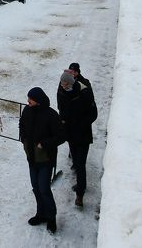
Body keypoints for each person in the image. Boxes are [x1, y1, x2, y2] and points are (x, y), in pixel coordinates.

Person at [19, 87, 65, 233]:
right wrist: (24, 139)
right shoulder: (27, 111)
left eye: (30, 99)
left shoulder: (51, 115)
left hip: (46, 159)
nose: (28, 101)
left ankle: (51, 217)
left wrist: (44, 143)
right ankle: (41, 214)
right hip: (32, 158)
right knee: (36, 187)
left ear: (38, 100)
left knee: (44, 189)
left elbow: (61, 136)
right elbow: (22, 124)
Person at [57, 71, 97, 208]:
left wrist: (80, 125)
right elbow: (61, 108)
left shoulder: (85, 92)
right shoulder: (61, 91)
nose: (63, 86)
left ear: (72, 83)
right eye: (62, 84)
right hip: (70, 134)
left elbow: (93, 114)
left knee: (80, 164)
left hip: (83, 134)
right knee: (76, 160)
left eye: (66, 84)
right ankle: (80, 184)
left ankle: (80, 194)